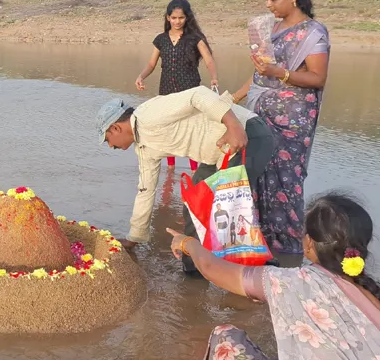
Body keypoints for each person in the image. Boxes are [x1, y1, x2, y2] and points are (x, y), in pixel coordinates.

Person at [166, 191, 380, 360]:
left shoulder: (291, 282)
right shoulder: (371, 290)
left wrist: (187, 243)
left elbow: (211, 267)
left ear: (308, 242)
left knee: (225, 337)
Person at [96, 86, 274, 255]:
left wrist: (233, 126)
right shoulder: (143, 148)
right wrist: (133, 238)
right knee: (193, 205)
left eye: (107, 140)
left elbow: (198, 94)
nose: (111, 146)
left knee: (229, 210)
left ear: (115, 128)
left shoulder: (147, 115)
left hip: (248, 134)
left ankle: (259, 276)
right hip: (218, 154)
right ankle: (193, 270)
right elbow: (145, 191)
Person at [232, 0, 331, 255]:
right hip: (260, 116)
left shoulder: (313, 32)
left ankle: (287, 256)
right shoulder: (272, 31)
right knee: (255, 177)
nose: (268, 5)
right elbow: (260, 75)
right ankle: (256, 252)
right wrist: (234, 98)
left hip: (292, 121)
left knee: (285, 183)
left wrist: (279, 72)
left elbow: (317, 78)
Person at [136, 0, 220, 173]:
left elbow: (208, 59)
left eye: (181, 18)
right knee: (168, 128)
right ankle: (171, 170)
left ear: (186, 18)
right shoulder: (161, 40)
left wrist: (213, 77)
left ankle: (194, 170)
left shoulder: (194, 39)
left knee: (192, 130)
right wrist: (141, 76)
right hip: (166, 91)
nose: (177, 21)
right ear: (168, 18)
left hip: (190, 91)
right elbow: (151, 64)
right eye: (173, 18)